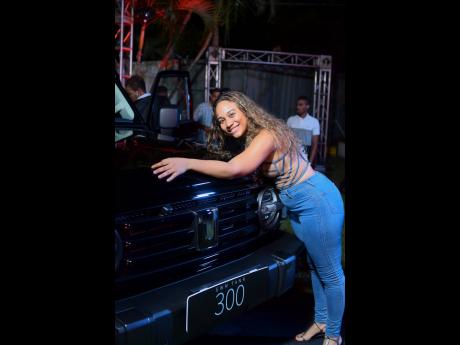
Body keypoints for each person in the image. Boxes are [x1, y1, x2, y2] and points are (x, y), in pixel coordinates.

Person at [151, 91, 345, 345]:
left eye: (232, 114)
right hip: (300, 205)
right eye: (221, 120)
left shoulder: (266, 134)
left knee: (330, 273)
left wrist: (186, 163)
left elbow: (235, 168)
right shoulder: (251, 137)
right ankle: (321, 321)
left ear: (246, 110)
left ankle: (334, 334)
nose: (227, 123)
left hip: (317, 201)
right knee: (316, 266)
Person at [287, 96, 320, 167]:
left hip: (306, 158)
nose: (297, 107)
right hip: (292, 157)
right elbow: (287, 140)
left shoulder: (314, 122)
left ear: (307, 106)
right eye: (297, 105)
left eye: (300, 105)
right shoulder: (290, 120)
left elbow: (315, 144)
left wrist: (310, 162)